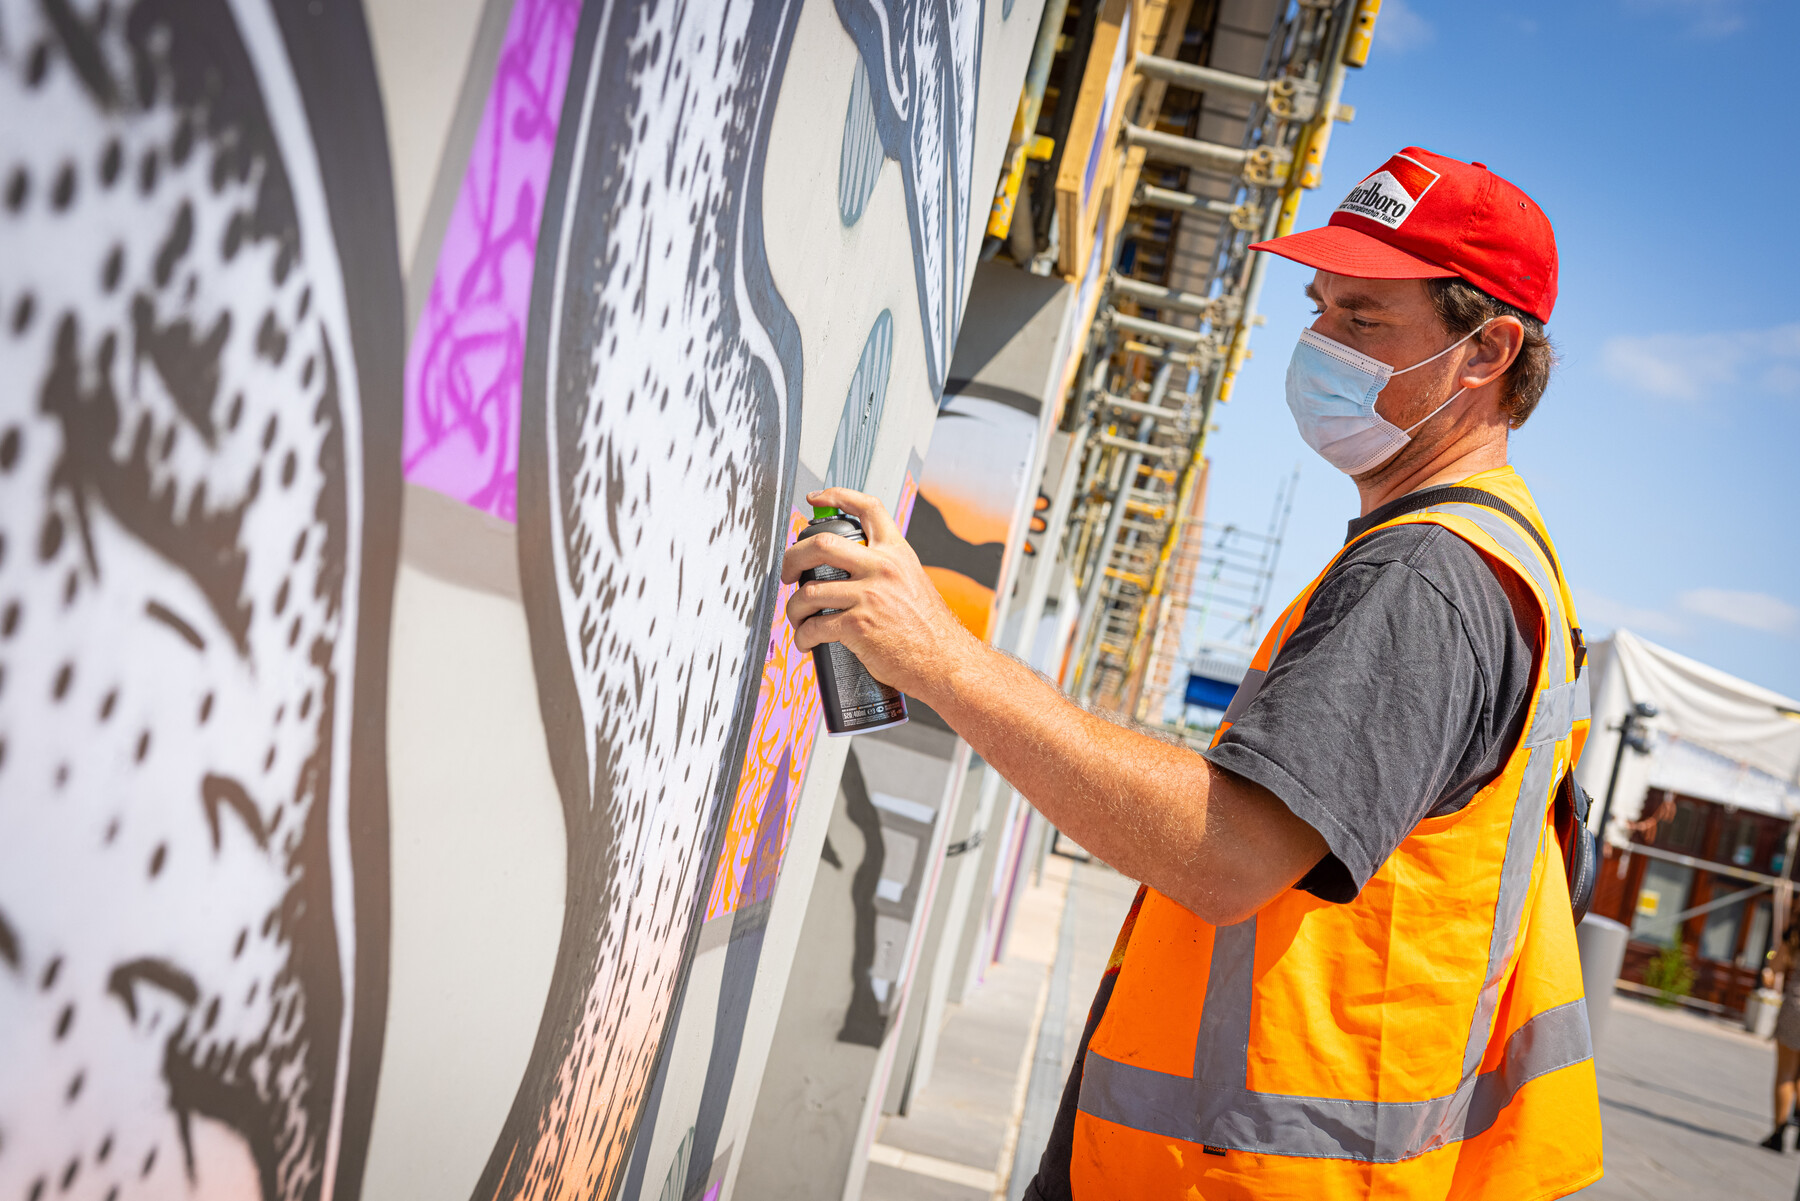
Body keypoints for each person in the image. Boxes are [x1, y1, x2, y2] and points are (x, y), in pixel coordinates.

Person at [783, 146, 1602, 1199]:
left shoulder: (1427, 577)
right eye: (1319, 307)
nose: (1319, 344)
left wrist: (940, 658)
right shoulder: (1491, 561)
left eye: (1363, 321)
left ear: (1488, 350)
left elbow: (1227, 854)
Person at [1761, 919, 1800, 1150]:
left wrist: (1770, 969)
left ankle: (1779, 1132)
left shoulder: (1794, 931)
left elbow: (1774, 968)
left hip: (1795, 1007)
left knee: (1785, 1073)